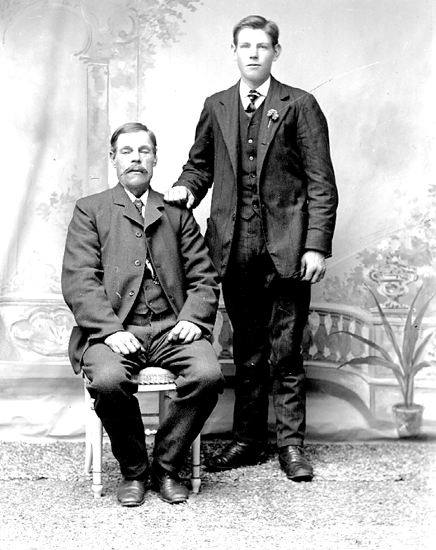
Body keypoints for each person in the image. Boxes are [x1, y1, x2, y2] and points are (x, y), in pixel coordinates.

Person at [164, 15, 338, 482]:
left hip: (288, 250)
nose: (254, 54)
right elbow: (199, 167)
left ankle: (291, 446)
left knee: (286, 350)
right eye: (246, 46)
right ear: (234, 52)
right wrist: (185, 189)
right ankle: (248, 440)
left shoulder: (300, 104)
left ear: (276, 52)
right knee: (247, 351)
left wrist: (315, 246)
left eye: (263, 46)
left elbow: (321, 184)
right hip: (232, 249)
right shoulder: (217, 105)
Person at [62, 122, 224, 507]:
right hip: (115, 329)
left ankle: (165, 467)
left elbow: (204, 275)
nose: (136, 159)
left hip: (172, 329)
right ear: (113, 159)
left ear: (155, 159)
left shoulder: (176, 212)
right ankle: (134, 470)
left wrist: (192, 319)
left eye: (144, 151)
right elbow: (80, 280)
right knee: (107, 380)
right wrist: (109, 330)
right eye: (127, 151)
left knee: (207, 375)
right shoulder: (91, 210)